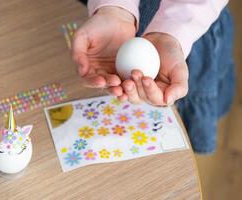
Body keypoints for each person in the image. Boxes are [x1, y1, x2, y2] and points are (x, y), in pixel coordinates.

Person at [72, 0, 235, 154]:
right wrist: (116, 8)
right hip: (112, 23)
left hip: (193, 24)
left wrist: (173, 29)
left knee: (184, 124)